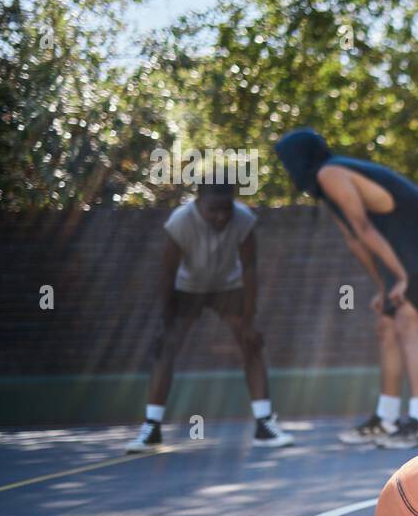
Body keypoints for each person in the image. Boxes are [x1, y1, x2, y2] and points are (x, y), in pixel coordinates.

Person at [273, 128, 418, 448]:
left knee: (407, 322)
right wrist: (384, 285)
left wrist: (400, 277)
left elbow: (363, 226)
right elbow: (355, 241)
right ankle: (385, 421)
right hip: (403, 248)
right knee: (385, 327)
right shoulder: (324, 187)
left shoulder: (331, 172)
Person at [125, 181, 294, 452]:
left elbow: (250, 268)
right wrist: (166, 318)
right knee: (166, 348)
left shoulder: (243, 219)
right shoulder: (180, 221)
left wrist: (249, 321)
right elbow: (167, 271)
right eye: (214, 210)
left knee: (251, 344)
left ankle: (264, 424)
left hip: (228, 286)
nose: (221, 216)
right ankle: (151, 428)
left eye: (226, 209)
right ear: (198, 202)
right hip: (189, 287)